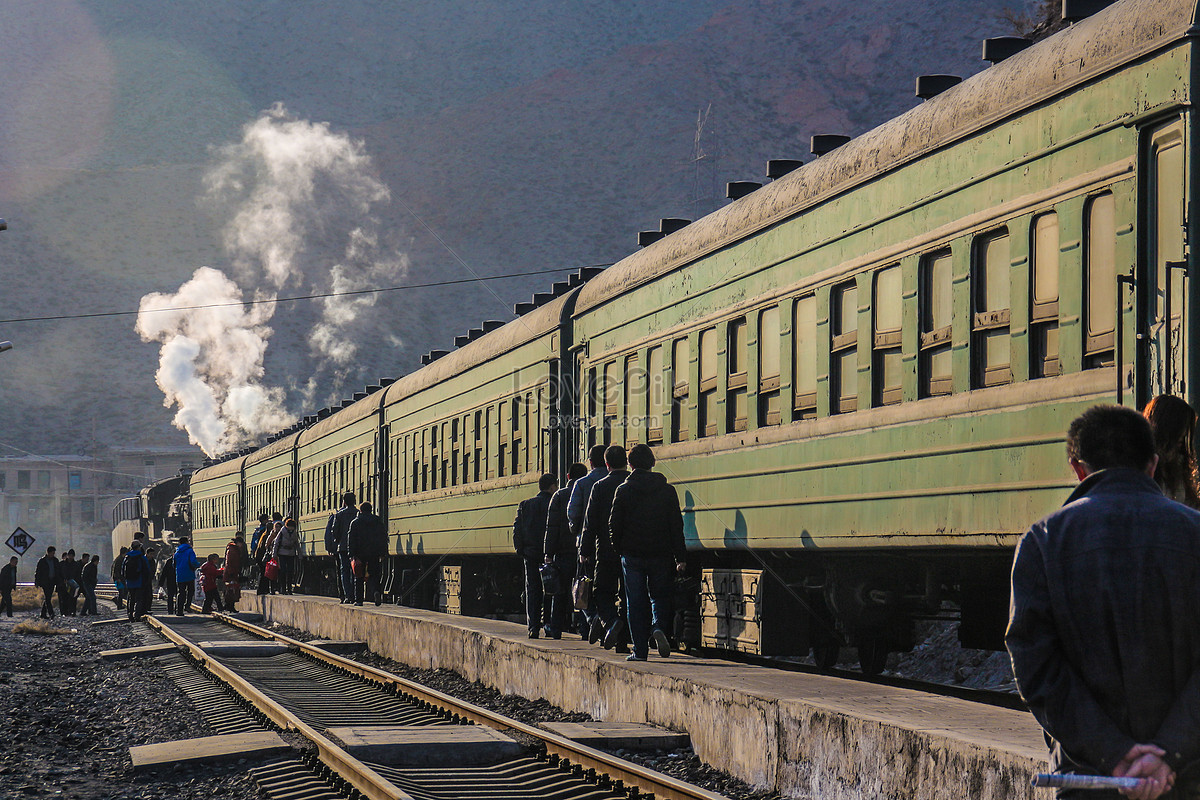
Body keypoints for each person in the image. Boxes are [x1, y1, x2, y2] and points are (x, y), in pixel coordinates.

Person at [1007, 404, 1200, 800]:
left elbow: (1035, 668)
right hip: (1186, 780)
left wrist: (1114, 753)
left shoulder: (1043, 542)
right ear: (1151, 465)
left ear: (1079, 469)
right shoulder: (1194, 534)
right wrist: (1170, 752)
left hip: (1089, 780)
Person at [610, 444, 687, 662]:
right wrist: (680, 557)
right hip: (660, 554)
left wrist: (620, 550)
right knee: (659, 596)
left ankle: (640, 651)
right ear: (653, 463)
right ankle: (658, 627)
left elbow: (613, 525)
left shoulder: (623, 490)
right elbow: (676, 526)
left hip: (632, 556)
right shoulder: (667, 491)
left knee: (635, 603)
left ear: (630, 465)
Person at [581, 446, 631, 651]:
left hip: (605, 550)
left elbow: (590, 522)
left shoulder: (600, 487)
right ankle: (622, 643)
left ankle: (610, 622)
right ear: (626, 463)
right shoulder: (631, 484)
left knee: (601, 592)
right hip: (629, 549)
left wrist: (584, 550)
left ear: (607, 464)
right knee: (627, 597)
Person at [567, 444, 610, 643]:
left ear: (591, 462)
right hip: (612, 544)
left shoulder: (583, 483)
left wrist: (576, 533)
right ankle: (609, 622)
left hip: (587, 545)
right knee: (608, 587)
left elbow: (573, 514)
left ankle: (593, 618)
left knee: (582, 586)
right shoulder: (618, 480)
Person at [544, 462, 588, 638]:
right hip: (582, 551)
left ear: (568, 477)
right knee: (583, 591)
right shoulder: (587, 492)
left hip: (562, 553)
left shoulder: (559, 496)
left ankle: (555, 629)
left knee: (560, 593)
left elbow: (551, 527)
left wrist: (548, 552)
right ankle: (585, 630)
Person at [513, 473, 557, 638]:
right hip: (550, 555)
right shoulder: (555, 503)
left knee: (533, 589)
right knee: (550, 590)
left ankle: (533, 627)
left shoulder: (525, 505)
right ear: (552, 487)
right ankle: (549, 625)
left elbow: (517, 530)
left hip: (530, 555)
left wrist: (521, 550)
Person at [1143, 394, 1200, 509]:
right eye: (1181, 428)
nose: (1183, 435)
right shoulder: (1141, 465)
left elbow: (1190, 505)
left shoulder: (1178, 462)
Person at [347, 501, 388, 606]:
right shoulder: (377, 521)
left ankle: (359, 600)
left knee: (359, 577)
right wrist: (383, 552)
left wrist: (351, 555)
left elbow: (351, 540)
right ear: (371, 510)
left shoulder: (355, 522)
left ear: (360, 510)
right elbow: (383, 537)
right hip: (374, 552)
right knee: (374, 575)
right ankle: (376, 592)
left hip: (360, 553)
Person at [329, 493, 359, 603]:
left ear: (344, 502)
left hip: (343, 547)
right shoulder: (358, 513)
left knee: (345, 571)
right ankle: (357, 595)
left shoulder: (340, 514)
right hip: (356, 547)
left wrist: (338, 541)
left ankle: (348, 596)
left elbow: (334, 530)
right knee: (355, 571)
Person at [122, 541, 151, 621]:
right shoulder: (142, 557)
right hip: (139, 581)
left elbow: (122, 570)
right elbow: (147, 570)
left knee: (131, 599)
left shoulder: (127, 557)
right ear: (138, 547)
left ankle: (130, 614)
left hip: (130, 582)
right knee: (139, 599)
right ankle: (137, 615)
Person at [272, 517, 300, 595]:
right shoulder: (282, 532)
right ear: (287, 526)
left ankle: (289, 589)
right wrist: (274, 554)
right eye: (290, 526)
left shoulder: (294, 533)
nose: (291, 528)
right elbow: (276, 543)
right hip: (282, 553)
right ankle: (283, 589)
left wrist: (299, 554)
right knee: (283, 571)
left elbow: (296, 543)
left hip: (291, 553)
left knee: (290, 571)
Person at [173, 536, 200, 616]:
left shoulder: (176, 552)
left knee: (181, 592)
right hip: (189, 574)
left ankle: (179, 610)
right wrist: (198, 565)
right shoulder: (189, 550)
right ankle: (187, 605)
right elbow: (193, 561)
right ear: (186, 542)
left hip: (180, 575)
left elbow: (174, 564)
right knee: (190, 590)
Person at [35, 546, 59, 619]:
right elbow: (38, 572)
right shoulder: (42, 561)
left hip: (52, 581)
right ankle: (51, 613)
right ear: (48, 553)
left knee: (48, 598)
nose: (53, 554)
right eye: (52, 553)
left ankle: (43, 614)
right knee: (48, 598)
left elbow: (58, 570)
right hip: (45, 582)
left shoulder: (55, 560)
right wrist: (37, 581)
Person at [224, 534, 244, 611]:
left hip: (232, 571)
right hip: (231, 572)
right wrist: (231, 572)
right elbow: (229, 562)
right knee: (232, 590)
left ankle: (229, 605)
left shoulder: (233, 549)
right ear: (238, 543)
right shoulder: (233, 550)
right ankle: (230, 606)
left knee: (232, 589)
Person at [58, 550, 78, 616]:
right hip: (63, 584)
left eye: (72, 556)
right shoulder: (62, 564)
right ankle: (64, 612)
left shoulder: (75, 564)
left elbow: (77, 574)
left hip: (72, 584)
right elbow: (58, 574)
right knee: (64, 599)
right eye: (70, 555)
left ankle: (72, 612)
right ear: (68, 555)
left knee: (72, 599)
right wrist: (62, 580)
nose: (71, 557)